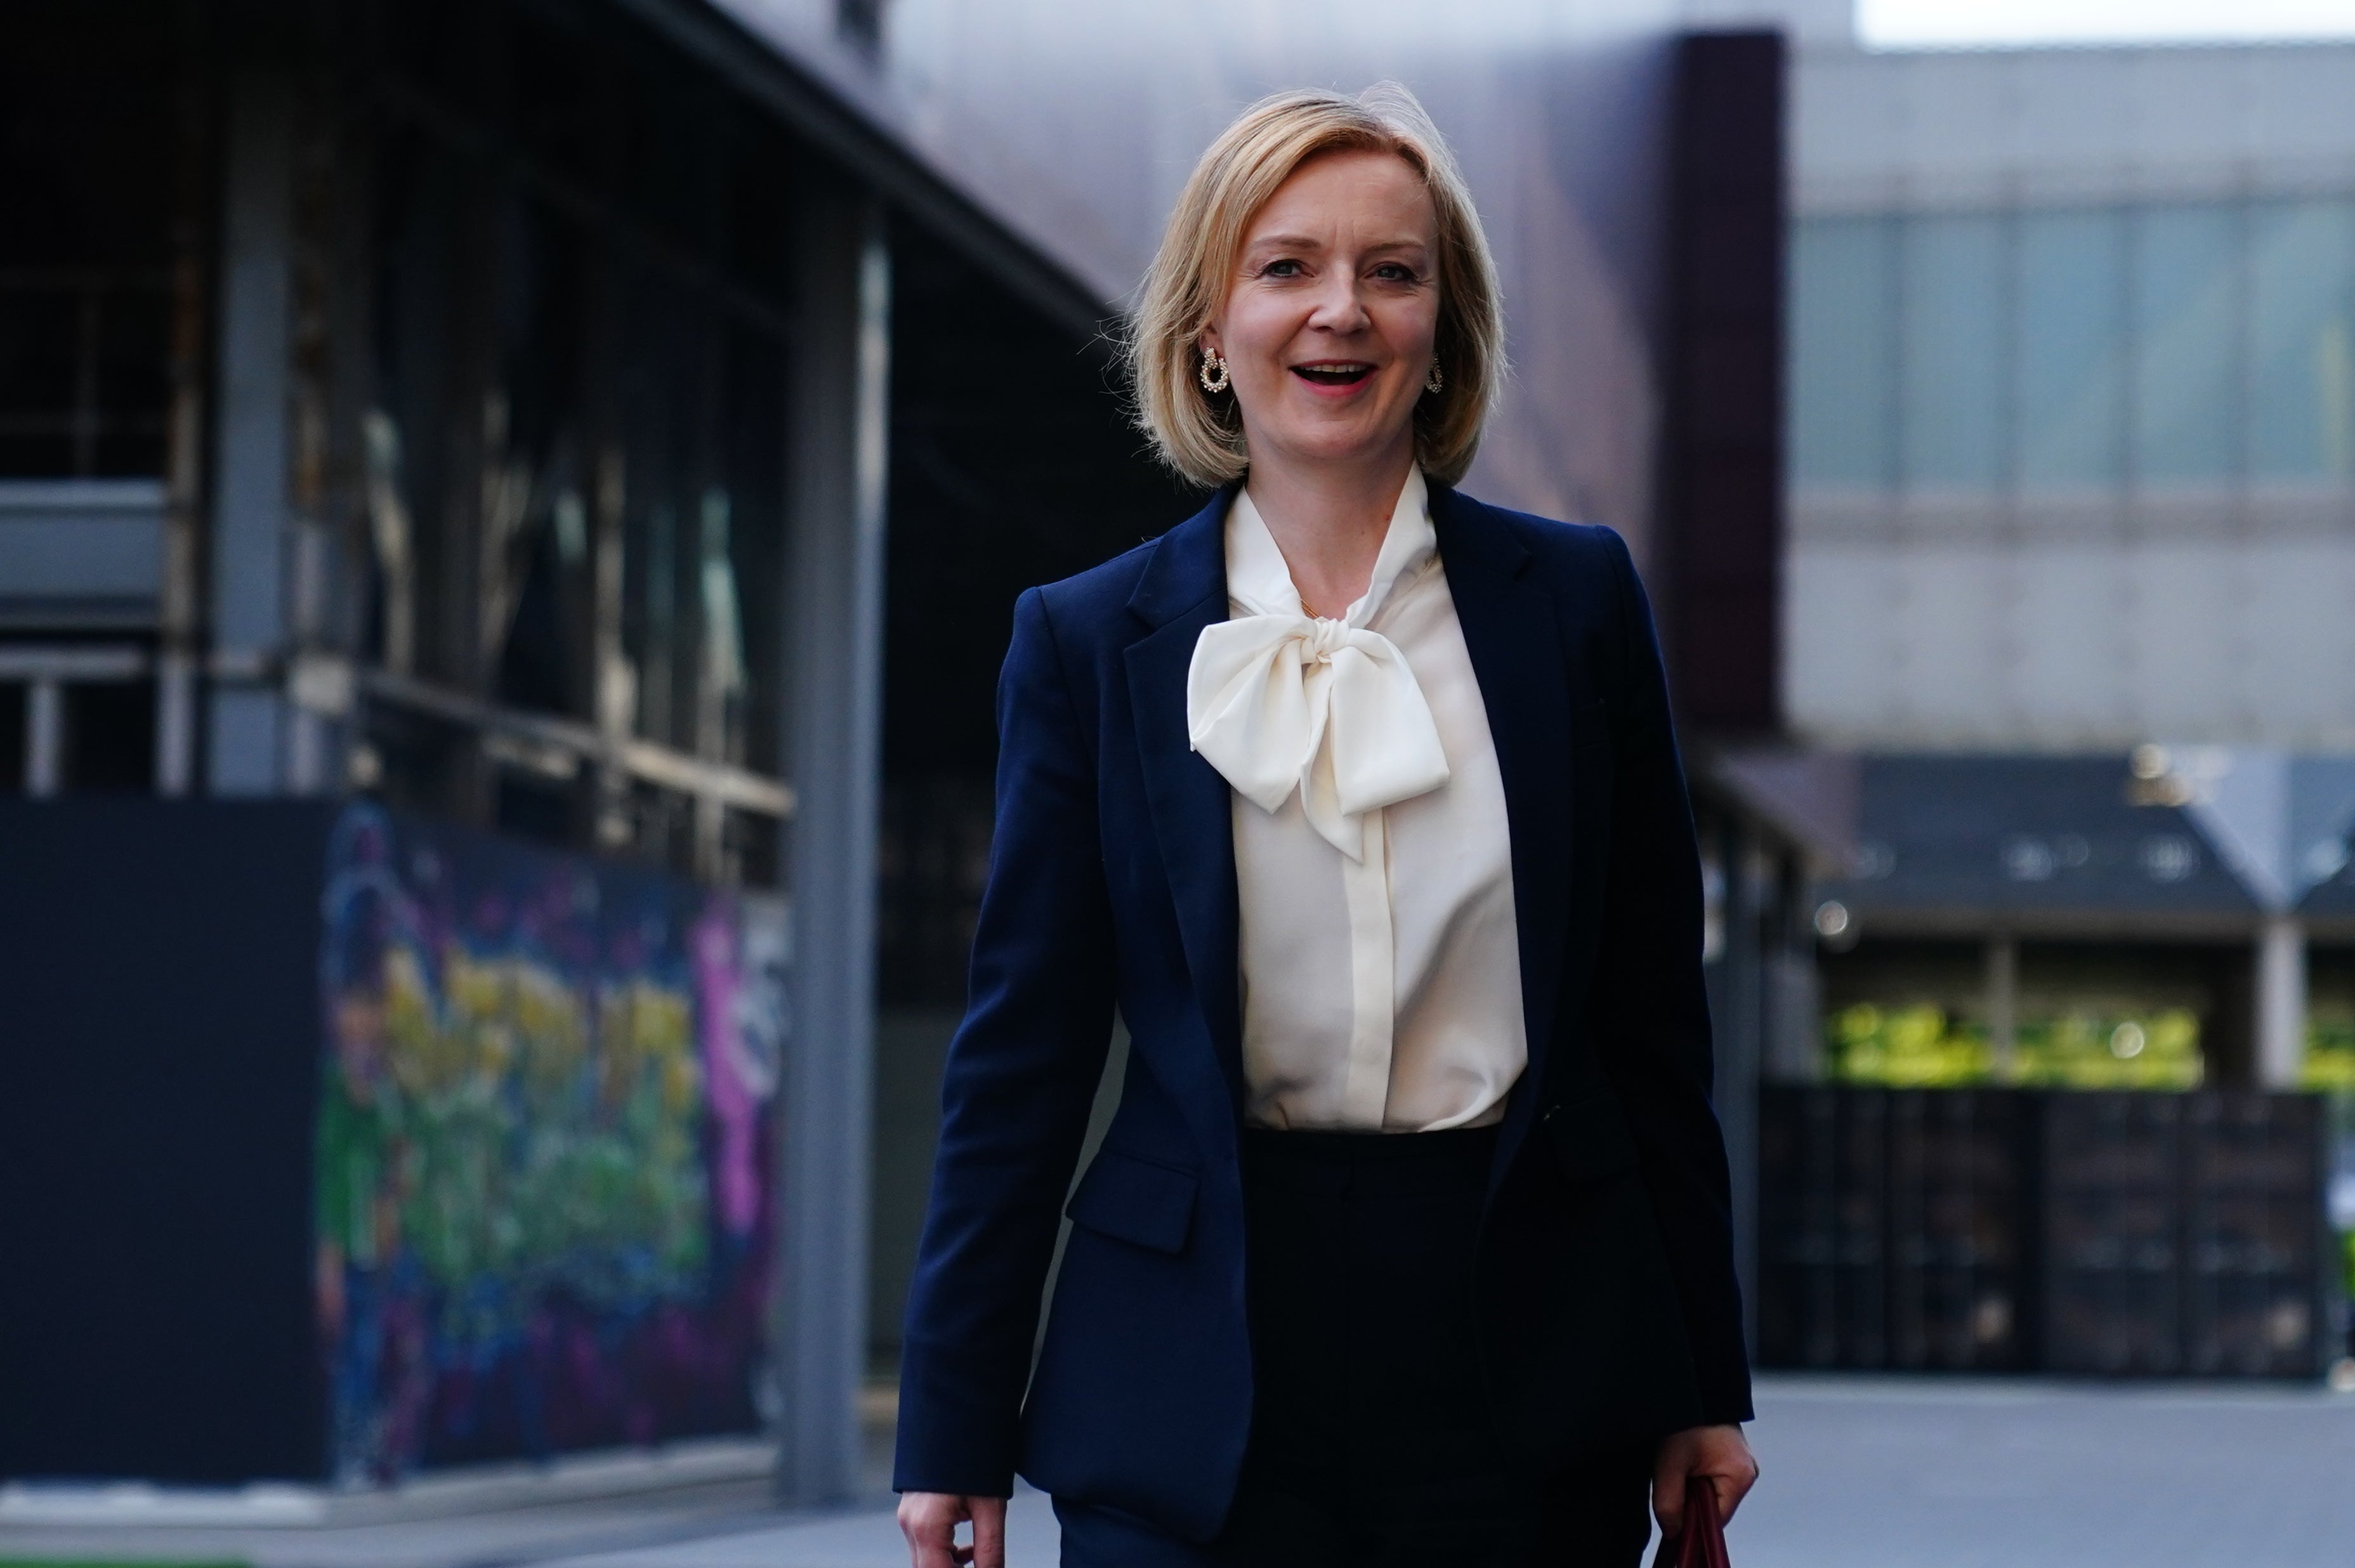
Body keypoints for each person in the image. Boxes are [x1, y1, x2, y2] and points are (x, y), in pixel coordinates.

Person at [895, 83, 1757, 1568]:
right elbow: (1019, 1059)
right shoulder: (1084, 641)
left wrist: (1699, 1385)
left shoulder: (1575, 609)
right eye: (1285, 266)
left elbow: (1647, 1033)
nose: (1338, 313)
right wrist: (954, 1424)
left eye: (1392, 271)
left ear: (1444, 328)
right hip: (1185, 1361)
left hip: (1520, 1348)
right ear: (1205, 330)